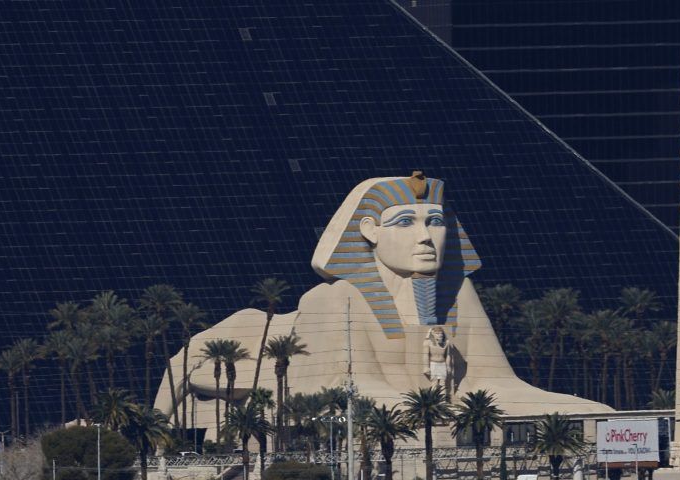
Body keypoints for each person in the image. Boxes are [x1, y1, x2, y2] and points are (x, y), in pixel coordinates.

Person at [158, 172, 609, 436]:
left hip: (417, 414)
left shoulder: (458, 294)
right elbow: (353, 393)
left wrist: (582, 412)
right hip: (255, 368)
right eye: (406, 222)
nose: (426, 237)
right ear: (370, 230)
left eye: (435, 221)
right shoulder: (336, 298)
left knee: (597, 413)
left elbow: (490, 388)